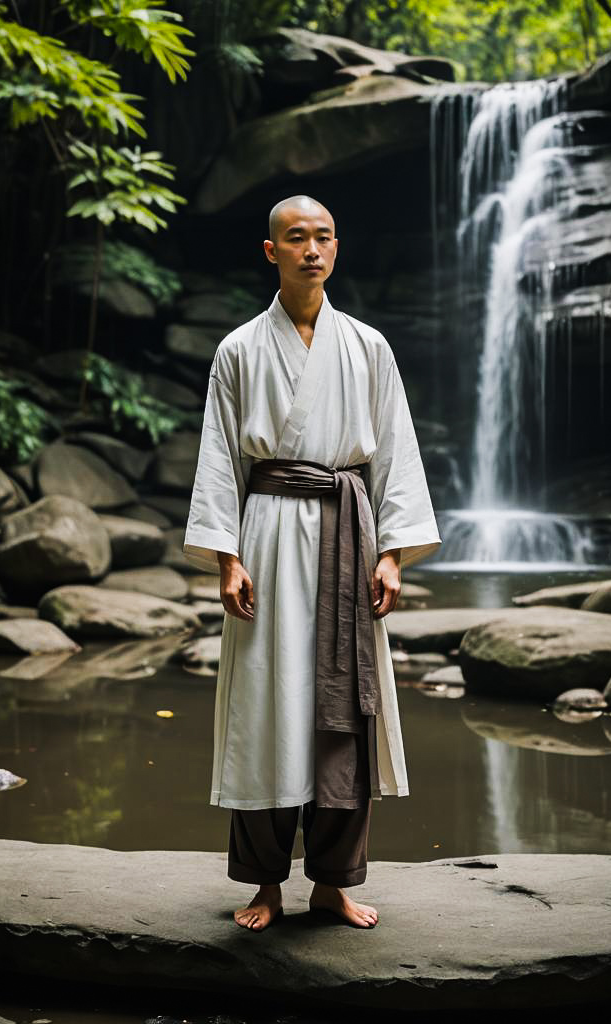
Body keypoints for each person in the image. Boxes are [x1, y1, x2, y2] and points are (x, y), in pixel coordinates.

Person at [183, 195, 440, 932]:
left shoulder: (367, 347)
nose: (311, 249)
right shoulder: (238, 349)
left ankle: (333, 881)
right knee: (264, 703)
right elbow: (219, 458)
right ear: (272, 252)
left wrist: (393, 554)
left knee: (344, 705)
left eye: (324, 236)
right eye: (296, 238)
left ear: (337, 246)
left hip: (346, 533)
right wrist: (226, 558)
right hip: (266, 531)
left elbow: (394, 453)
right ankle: (264, 884)